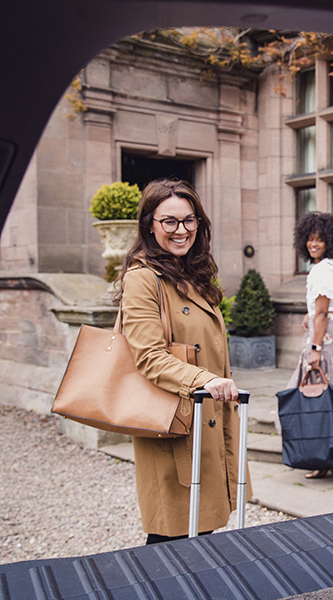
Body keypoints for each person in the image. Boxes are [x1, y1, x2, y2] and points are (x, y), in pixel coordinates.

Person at [118, 178, 251, 544]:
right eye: (170, 221)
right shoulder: (144, 278)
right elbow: (149, 356)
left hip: (207, 420)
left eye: (189, 220)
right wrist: (204, 381)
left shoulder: (192, 275)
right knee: (172, 538)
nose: (182, 230)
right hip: (173, 425)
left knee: (201, 535)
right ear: (150, 225)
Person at [287, 211, 333, 479]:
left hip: (325, 338)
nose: (313, 244)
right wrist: (311, 314)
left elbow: (323, 313)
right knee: (331, 394)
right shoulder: (331, 268)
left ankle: (325, 455)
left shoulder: (322, 270)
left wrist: (315, 349)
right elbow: (325, 308)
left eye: (319, 240)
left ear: (331, 242)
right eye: (310, 239)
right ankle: (328, 457)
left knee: (318, 393)